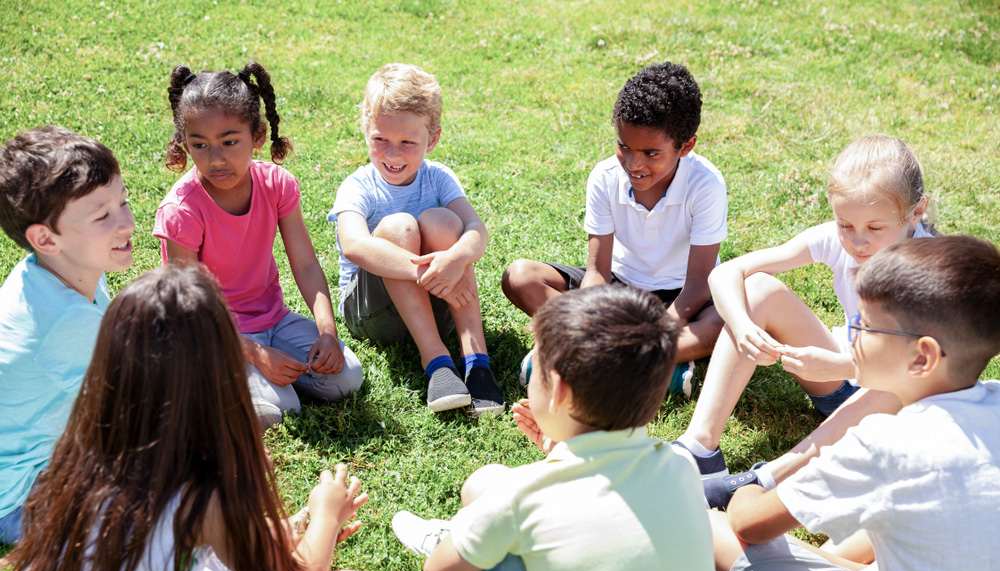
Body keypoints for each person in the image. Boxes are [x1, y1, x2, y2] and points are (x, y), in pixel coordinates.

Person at [0, 265, 406, 571]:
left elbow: (187, 538)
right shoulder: (205, 478)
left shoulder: (80, 446)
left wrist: (291, 527)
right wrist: (326, 516)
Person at [394, 285, 731, 571]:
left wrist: (473, 528)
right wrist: (560, 452)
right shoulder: (680, 467)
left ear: (557, 391)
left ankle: (471, 546)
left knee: (493, 504)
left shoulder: (521, 494)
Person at [711, 235, 1000, 571]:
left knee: (709, 526)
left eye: (863, 327)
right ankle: (832, 562)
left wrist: (754, 486)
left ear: (922, 358)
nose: (850, 337)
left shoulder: (888, 443)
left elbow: (748, 523)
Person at [674, 135, 935, 491]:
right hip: (843, 384)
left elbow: (926, 370)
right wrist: (742, 326)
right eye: (846, 225)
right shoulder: (837, 239)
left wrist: (838, 366)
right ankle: (700, 448)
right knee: (758, 289)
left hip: (895, 408)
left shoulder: (932, 269)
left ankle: (768, 480)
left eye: (875, 228)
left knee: (901, 384)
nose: (858, 241)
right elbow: (725, 273)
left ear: (916, 212)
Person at [154, 62, 362, 430]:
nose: (215, 159)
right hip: (212, 332)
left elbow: (306, 265)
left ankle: (258, 380)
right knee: (278, 410)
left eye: (229, 142)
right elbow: (188, 309)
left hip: (273, 319)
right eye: (199, 145)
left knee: (346, 380)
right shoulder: (181, 211)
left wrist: (327, 332)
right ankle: (218, 381)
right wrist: (256, 354)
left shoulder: (277, 184)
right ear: (184, 143)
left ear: (258, 136)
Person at [502, 61, 727, 398]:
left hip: (685, 296)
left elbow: (697, 284)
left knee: (726, 322)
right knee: (520, 277)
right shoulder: (605, 177)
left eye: (651, 153)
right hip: (619, 288)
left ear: (686, 146)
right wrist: (593, 318)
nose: (634, 164)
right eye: (624, 146)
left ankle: (587, 354)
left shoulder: (705, 184)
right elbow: (597, 271)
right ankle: (655, 361)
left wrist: (649, 331)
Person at [329, 63, 504, 415]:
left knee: (443, 222)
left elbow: (477, 230)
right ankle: (437, 362)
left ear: (433, 139)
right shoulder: (358, 186)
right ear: (366, 130)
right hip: (371, 314)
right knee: (399, 228)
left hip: (435, 300)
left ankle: (477, 362)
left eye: (408, 142)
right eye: (381, 140)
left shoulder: (438, 177)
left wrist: (455, 259)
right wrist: (424, 273)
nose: (393, 154)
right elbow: (355, 246)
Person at [0, 126, 135, 546]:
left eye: (124, 202)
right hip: (23, 500)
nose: (127, 222)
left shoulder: (51, 272)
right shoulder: (66, 320)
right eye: (102, 216)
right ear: (45, 238)